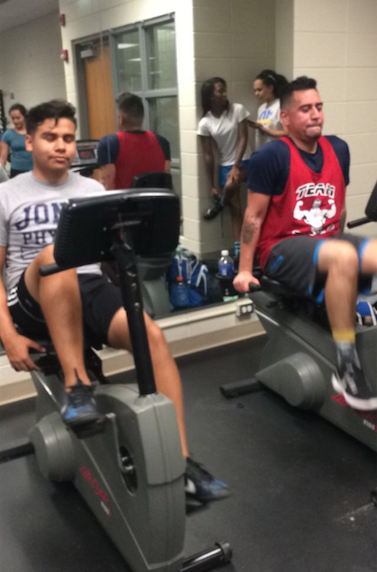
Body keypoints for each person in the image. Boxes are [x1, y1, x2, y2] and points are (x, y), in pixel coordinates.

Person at [0, 99, 228, 503]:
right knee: (57, 257)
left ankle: (182, 462)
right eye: (50, 137)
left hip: (85, 288)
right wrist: (9, 338)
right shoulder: (6, 195)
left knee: (152, 336)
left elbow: (111, 256)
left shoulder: (92, 190)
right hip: (30, 295)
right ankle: (77, 387)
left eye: (68, 139)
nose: (61, 146)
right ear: (29, 139)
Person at [234, 76, 377, 411]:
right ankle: (347, 365)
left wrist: (341, 244)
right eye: (305, 109)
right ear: (285, 118)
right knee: (342, 256)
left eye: (319, 107)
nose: (315, 114)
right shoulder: (270, 156)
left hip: (326, 243)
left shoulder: (338, 149)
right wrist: (244, 270)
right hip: (281, 249)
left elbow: (338, 208)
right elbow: (253, 218)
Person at [198, 77, 251, 259]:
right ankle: (238, 250)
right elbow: (208, 155)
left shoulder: (237, 110)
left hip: (245, 161)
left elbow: (243, 138)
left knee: (230, 185)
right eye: (219, 91)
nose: (224, 94)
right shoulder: (205, 123)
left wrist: (236, 166)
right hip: (224, 165)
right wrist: (212, 185)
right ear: (210, 96)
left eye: (224, 90)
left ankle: (220, 204)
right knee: (236, 210)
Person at [97, 92, 170, 191]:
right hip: (157, 204)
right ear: (142, 117)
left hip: (124, 205)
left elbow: (107, 186)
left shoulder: (109, 143)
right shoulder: (162, 142)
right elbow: (166, 181)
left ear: (120, 118)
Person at [248, 69, 288, 150]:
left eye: (259, 90)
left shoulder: (281, 105)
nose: (256, 94)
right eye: (255, 90)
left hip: (277, 153)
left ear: (270, 88)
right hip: (262, 152)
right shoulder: (261, 108)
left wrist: (262, 128)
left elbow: (286, 133)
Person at [0, 103, 33, 178]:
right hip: (16, 171)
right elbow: (3, 157)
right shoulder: (8, 134)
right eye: (13, 118)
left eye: (18, 118)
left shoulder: (33, 132)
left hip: (34, 170)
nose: (15, 121)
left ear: (24, 117)